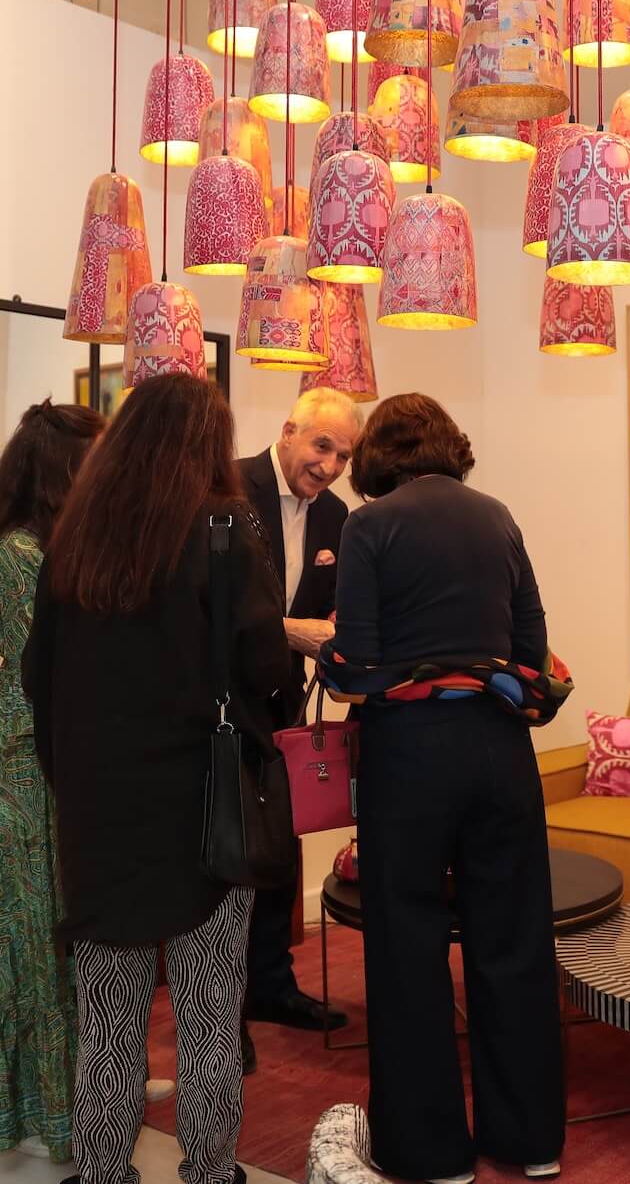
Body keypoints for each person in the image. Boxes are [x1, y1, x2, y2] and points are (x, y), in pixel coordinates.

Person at [25, 373, 292, 1184]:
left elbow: (40, 675)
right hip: (205, 807)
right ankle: (209, 1171)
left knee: (109, 1014)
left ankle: (104, 1170)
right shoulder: (224, 529)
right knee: (209, 1012)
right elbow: (266, 667)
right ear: (207, 444)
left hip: (101, 810)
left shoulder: (75, 537)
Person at [325, 394, 566, 1183]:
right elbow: (532, 650)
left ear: (376, 457)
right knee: (514, 939)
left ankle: (431, 1152)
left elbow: (357, 663)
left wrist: (327, 657)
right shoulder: (498, 517)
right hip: (500, 751)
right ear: (449, 446)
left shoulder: (369, 526)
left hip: (409, 756)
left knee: (409, 945)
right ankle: (530, 1139)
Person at [0, 399, 104, 1165]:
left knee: (58, 925)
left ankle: (78, 1089)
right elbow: (57, 659)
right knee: (30, 930)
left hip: (50, 743)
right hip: (26, 752)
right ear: (62, 468)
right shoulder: (19, 552)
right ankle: (48, 1107)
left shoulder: (46, 543)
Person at [238, 388, 361, 1049]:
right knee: (230, 857)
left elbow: (335, 609)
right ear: (288, 431)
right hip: (221, 707)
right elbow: (210, 609)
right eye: (322, 446)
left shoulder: (338, 517)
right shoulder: (226, 487)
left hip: (285, 709)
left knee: (282, 852)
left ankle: (271, 983)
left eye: (343, 456)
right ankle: (220, 1007)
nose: (330, 466)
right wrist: (292, 630)